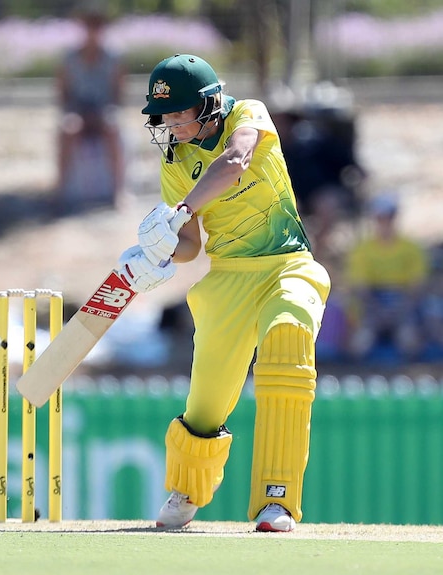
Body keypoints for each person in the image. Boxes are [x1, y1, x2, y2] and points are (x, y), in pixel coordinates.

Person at [116, 54, 331, 532]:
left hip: (286, 264)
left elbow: (235, 163)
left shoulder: (246, 114)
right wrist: (161, 250)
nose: (170, 124)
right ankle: (188, 488)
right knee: (207, 403)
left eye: (178, 113)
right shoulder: (175, 161)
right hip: (227, 278)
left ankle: (277, 500)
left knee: (288, 336)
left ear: (209, 104)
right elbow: (192, 244)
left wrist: (182, 208)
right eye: (163, 116)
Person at [54, 7, 126, 214]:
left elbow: (118, 95)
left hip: (103, 111)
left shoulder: (114, 57)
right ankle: (60, 190)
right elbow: (63, 93)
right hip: (78, 111)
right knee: (68, 128)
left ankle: (119, 190)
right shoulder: (69, 58)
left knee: (112, 127)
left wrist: (104, 112)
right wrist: (75, 112)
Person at [344, 194, 428, 363]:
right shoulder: (363, 250)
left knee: (409, 342)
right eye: (380, 218)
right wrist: (379, 311)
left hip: (402, 304)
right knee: (360, 344)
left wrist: (399, 310)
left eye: (388, 217)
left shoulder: (411, 248)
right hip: (373, 306)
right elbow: (360, 288)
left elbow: (417, 286)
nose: (384, 222)